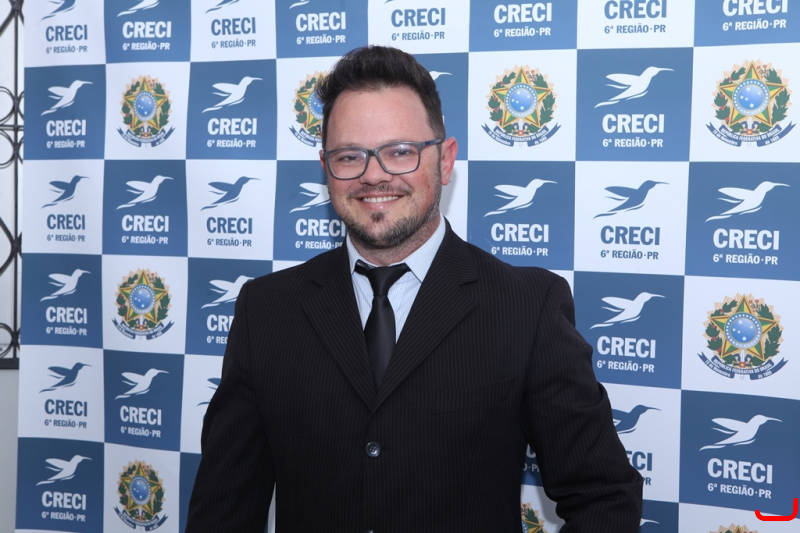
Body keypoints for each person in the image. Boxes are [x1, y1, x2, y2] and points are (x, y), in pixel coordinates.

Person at [186, 45, 642, 532]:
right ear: (326, 167)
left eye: (400, 152)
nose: (374, 175)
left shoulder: (527, 307)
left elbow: (605, 497)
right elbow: (222, 512)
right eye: (349, 156)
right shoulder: (266, 310)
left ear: (445, 161)